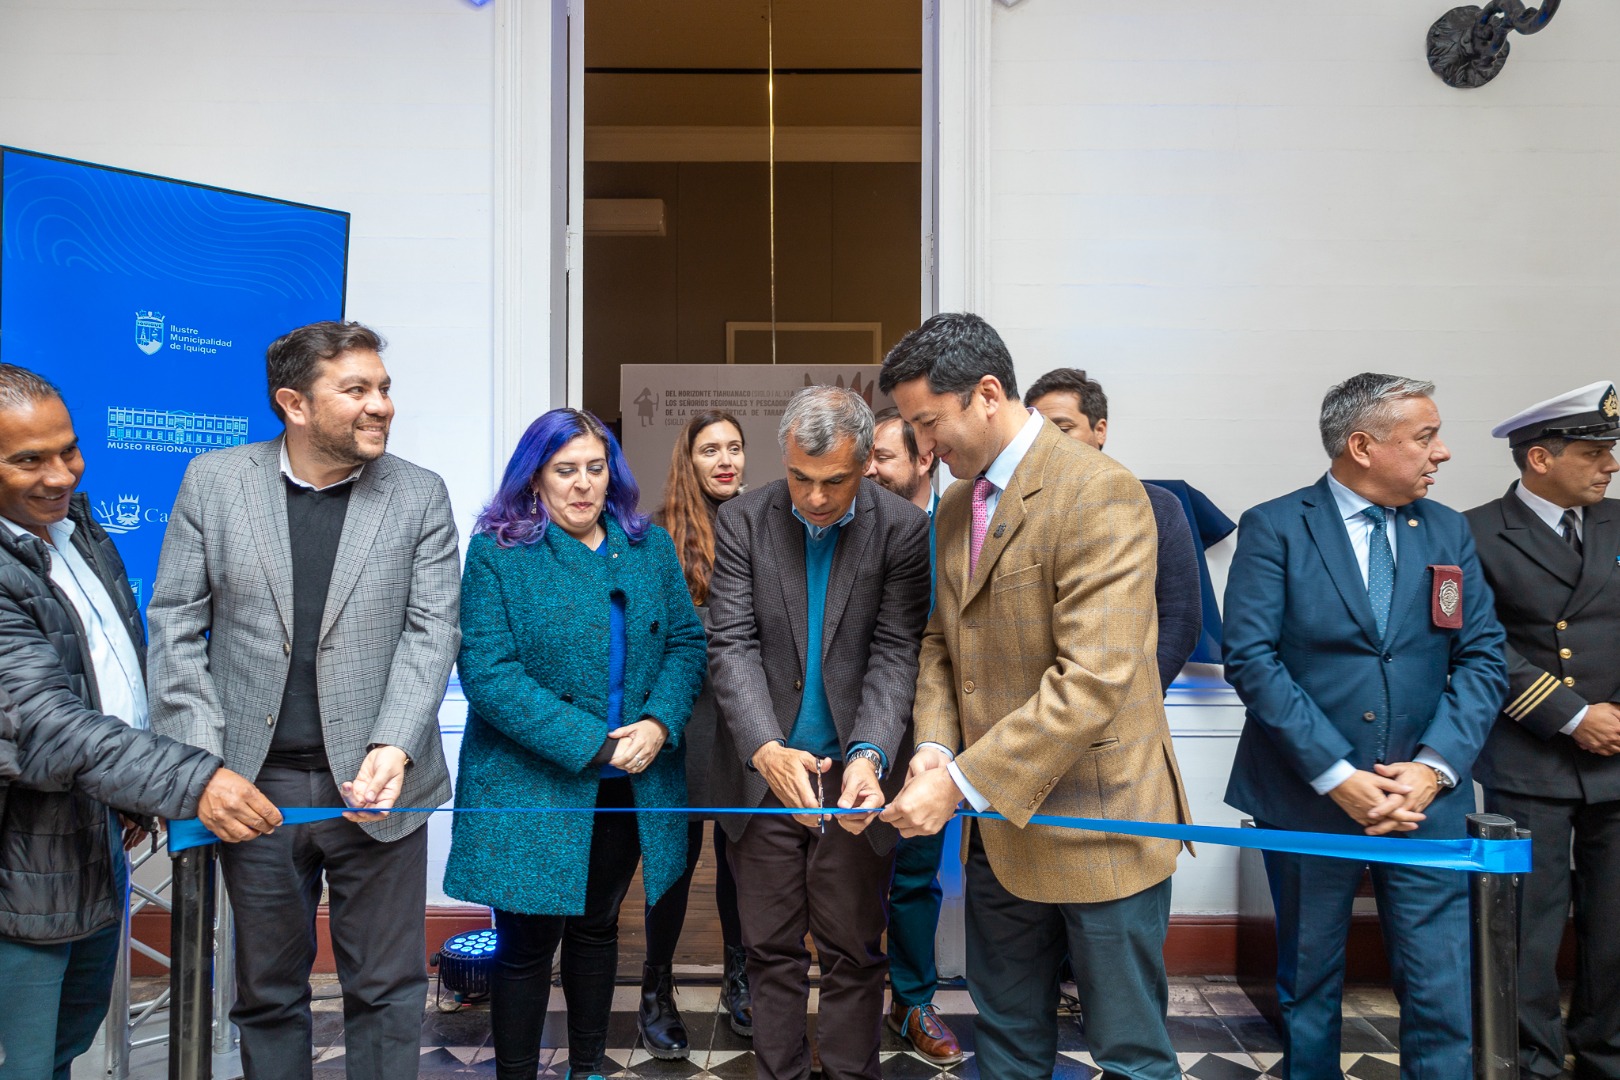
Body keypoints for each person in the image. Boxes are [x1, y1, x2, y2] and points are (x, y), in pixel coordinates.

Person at [878, 313, 1190, 1080]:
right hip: (1001, 830)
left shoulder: (1101, 493)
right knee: (1009, 1043)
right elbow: (943, 648)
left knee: (1130, 1054)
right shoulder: (955, 507)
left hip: (1101, 824)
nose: (924, 450)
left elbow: (1093, 678)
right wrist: (932, 749)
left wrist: (956, 782)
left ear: (987, 394)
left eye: (929, 423)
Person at [147, 322, 462, 1080]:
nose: (381, 405)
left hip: (383, 785)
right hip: (252, 788)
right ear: (294, 403)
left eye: (383, 387)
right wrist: (207, 767)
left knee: (388, 992)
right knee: (266, 994)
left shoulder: (418, 493)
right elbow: (174, 624)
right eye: (356, 390)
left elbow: (432, 632)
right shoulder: (214, 482)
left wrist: (394, 745)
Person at [1222, 372, 1508, 1080]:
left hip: (1424, 806)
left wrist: (1435, 767)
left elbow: (1480, 657)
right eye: (1425, 437)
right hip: (1307, 797)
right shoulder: (1277, 525)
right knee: (1309, 988)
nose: (1441, 452)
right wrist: (1337, 774)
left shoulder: (1447, 530)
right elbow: (1252, 661)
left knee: (1442, 990)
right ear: (1363, 445)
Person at [0, 363, 279, 1079]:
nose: (60, 475)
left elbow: (114, 672)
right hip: (18, 870)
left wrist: (131, 791)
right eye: (28, 459)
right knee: (22, 1062)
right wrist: (193, 781)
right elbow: (42, 725)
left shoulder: (79, 531)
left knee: (62, 1048)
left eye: (68, 449)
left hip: (89, 844)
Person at [444, 408, 706, 1080]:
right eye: (566, 470)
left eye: (595, 468)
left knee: (596, 928)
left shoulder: (648, 547)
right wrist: (595, 744)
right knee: (527, 942)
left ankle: (589, 1068)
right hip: (531, 784)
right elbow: (490, 675)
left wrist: (655, 724)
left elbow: (685, 643)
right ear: (535, 478)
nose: (583, 484)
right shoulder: (498, 553)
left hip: (630, 780)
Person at [707, 386, 931, 1080]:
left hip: (853, 780)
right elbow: (731, 643)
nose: (814, 497)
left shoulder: (901, 529)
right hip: (765, 774)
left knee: (853, 951)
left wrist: (869, 754)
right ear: (784, 458)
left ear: (866, 462)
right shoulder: (744, 519)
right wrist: (765, 748)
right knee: (768, 950)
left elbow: (897, 651)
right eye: (801, 478)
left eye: (834, 481)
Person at [1466, 381, 1620, 1080]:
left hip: (1618, 755)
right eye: (1592, 453)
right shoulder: (1472, 533)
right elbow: (1478, 642)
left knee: (1615, 932)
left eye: (1609, 453)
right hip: (1531, 757)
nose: (1608, 466)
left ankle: (1605, 1057)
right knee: (1526, 931)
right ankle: (1530, 1063)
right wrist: (1573, 715)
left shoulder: (1619, 524)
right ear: (1538, 458)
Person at [640, 409, 753, 1054]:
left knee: (741, 866)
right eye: (710, 449)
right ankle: (657, 990)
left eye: (734, 447)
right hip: (678, 721)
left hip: (742, 724)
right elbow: (660, 637)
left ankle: (740, 985)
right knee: (672, 867)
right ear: (689, 459)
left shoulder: (766, 522)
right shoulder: (656, 533)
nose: (724, 460)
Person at [860, 407, 962, 1068]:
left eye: (883, 458)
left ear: (924, 459)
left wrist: (940, 743)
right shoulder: (853, 528)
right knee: (844, 877)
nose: (869, 469)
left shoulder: (957, 531)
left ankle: (914, 1001)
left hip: (930, 738)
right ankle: (849, 999)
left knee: (917, 878)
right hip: (854, 739)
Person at [1024, 368, 1201, 694]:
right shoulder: (1016, 510)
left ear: (1100, 430)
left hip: (1125, 715)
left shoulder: (1157, 507)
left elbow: (1181, 619)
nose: (1050, 443)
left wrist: (1133, 700)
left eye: (1063, 428)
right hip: (1031, 709)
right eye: (1039, 432)